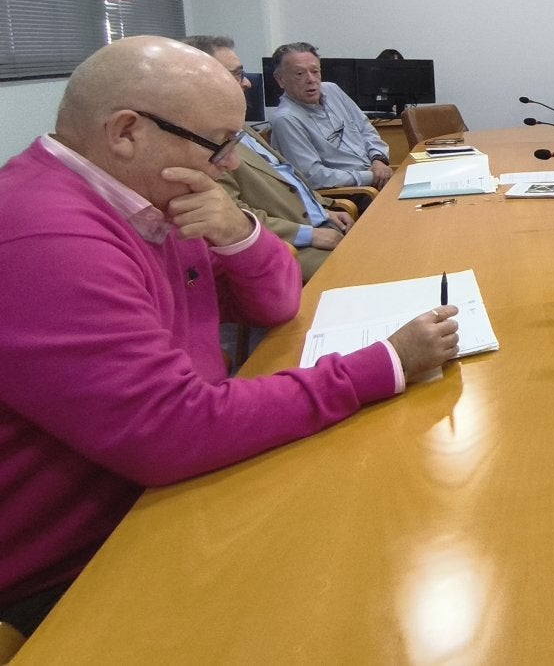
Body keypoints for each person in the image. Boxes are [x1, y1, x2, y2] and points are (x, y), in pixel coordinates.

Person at [0, 36, 459, 638]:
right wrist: (385, 363)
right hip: (77, 567)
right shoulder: (45, 236)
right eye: (219, 144)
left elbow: (275, 301)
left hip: (162, 493)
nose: (233, 165)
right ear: (126, 132)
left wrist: (240, 230)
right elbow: (168, 429)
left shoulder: (152, 197)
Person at [183, 36, 353, 282]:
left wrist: (324, 208)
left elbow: (285, 174)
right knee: (380, 270)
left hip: (321, 224)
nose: (247, 84)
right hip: (291, 247)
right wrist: (310, 234)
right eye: (237, 74)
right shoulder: (199, 146)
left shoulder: (239, 125)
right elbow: (233, 217)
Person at [269, 42, 392, 191]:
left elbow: (366, 129)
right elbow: (313, 176)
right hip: (352, 192)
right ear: (280, 79)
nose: (311, 79)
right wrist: (370, 176)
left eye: (315, 71)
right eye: (300, 74)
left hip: (378, 177)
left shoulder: (332, 90)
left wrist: (378, 160)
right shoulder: (286, 119)